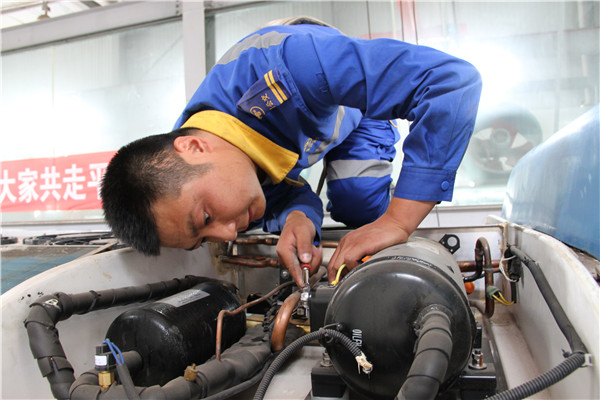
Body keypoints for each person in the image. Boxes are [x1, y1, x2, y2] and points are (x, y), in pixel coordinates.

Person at [101, 17, 482, 287]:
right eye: (202, 240)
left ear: (195, 146)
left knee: (368, 212)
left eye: (205, 217)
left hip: (359, 111)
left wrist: (398, 221)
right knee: (355, 215)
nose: (229, 232)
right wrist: (298, 218)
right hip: (317, 128)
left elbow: (450, 83)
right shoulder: (215, 161)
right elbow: (285, 192)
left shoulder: (287, 64)